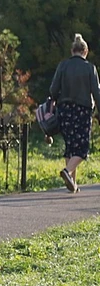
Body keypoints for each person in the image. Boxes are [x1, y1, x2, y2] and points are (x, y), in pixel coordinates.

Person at [49, 33, 100, 193]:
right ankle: (67, 172)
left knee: (70, 146)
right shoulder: (89, 68)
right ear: (85, 51)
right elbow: (96, 92)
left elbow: (53, 90)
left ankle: (73, 183)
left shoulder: (63, 66)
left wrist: (53, 105)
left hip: (64, 110)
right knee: (82, 148)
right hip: (82, 111)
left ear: (72, 51)